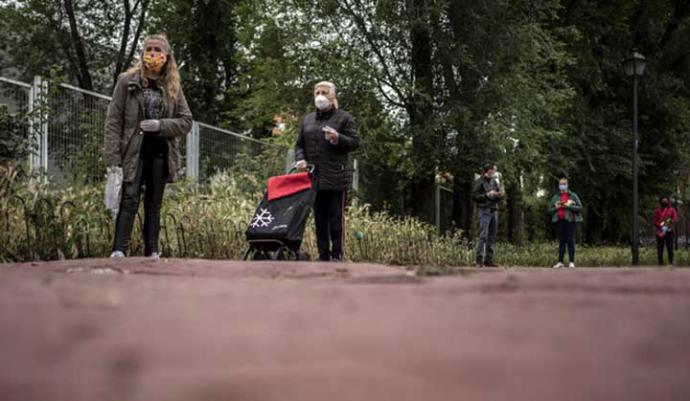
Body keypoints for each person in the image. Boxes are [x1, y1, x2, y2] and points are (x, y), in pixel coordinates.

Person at [104, 34, 193, 260]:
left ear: (167, 56)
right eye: (148, 49)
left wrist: (160, 125)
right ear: (142, 53)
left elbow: (186, 120)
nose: (152, 53)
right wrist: (113, 159)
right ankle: (119, 249)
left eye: (157, 49)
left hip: (160, 152)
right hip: (134, 151)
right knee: (130, 198)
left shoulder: (172, 86)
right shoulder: (127, 82)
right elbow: (114, 121)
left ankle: (152, 250)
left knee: (154, 203)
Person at [295, 81, 360, 261]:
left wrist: (337, 138)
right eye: (317, 92)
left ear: (332, 97)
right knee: (319, 220)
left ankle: (337, 255)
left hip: (337, 177)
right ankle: (323, 256)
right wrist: (300, 159)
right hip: (314, 177)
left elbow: (355, 142)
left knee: (336, 220)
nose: (320, 96)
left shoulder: (344, 118)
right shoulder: (307, 119)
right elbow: (300, 144)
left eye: (324, 92)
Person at [547, 176, 583, 268]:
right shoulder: (555, 197)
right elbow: (549, 210)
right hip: (558, 221)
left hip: (570, 220)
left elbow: (579, 207)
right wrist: (557, 207)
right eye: (561, 184)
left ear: (567, 185)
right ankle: (560, 262)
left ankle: (571, 262)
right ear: (558, 186)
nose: (562, 186)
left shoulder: (573, 195)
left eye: (564, 184)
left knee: (570, 240)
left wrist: (568, 206)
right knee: (561, 241)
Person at [472, 164, 504, 267]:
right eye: (494, 170)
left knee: (492, 236)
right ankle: (479, 260)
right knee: (483, 235)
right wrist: (487, 195)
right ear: (489, 170)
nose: (495, 172)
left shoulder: (494, 181)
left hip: (494, 210)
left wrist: (499, 195)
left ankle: (488, 260)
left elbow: (498, 196)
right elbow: (475, 196)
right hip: (484, 210)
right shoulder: (480, 181)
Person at [652, 195, 678, 266]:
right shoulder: (657, 211)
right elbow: (654, 221)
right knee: (660, 247)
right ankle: (660, 262)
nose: (664, 202)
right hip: (660, 231)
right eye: (663, 201)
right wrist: (661, 225)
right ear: (660, 202)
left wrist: (667, 224)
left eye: (666, 201)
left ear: (668, 201)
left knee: (670, 247)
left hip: (669, 231)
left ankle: (671, 261)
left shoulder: (671, 210)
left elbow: (675, 219)